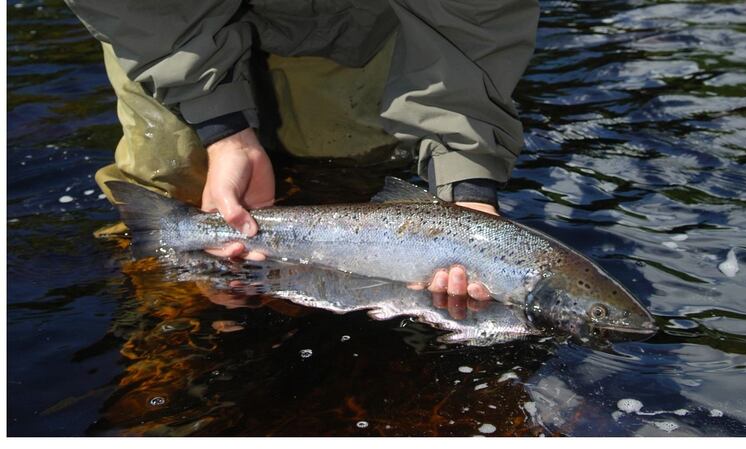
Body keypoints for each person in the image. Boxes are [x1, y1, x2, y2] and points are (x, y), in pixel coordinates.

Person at [65, 0, 540, 305]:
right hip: (162, 28)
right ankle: (161, 353)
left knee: (351, 174)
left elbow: (476, 22)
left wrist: (467, 185)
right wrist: (223, 130)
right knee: (170, 232)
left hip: (359, 24)